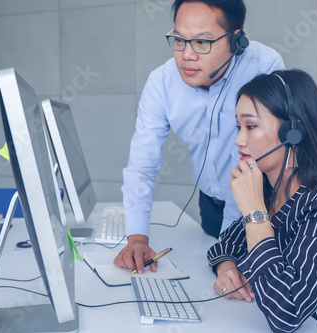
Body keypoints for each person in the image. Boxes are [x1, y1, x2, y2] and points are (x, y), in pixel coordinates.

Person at [115, 0, 284, 274]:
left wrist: (227, 253)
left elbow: (247, 160)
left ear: (235, 40)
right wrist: (136, 238)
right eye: (179, 40)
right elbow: (142, 165)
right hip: (211, 205)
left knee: (249, 296)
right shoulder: (161, 82)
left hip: (259, 206)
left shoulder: (264, 66)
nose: (187, 55)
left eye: (202, 43)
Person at [207, 69, 317, 332]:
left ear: (293, 133)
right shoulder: (271, 190)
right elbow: (224, 246)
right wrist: (226, 268)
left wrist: (254, 212)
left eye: (251, 126)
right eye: (238, 127)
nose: (238, 141)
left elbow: (287, 314)